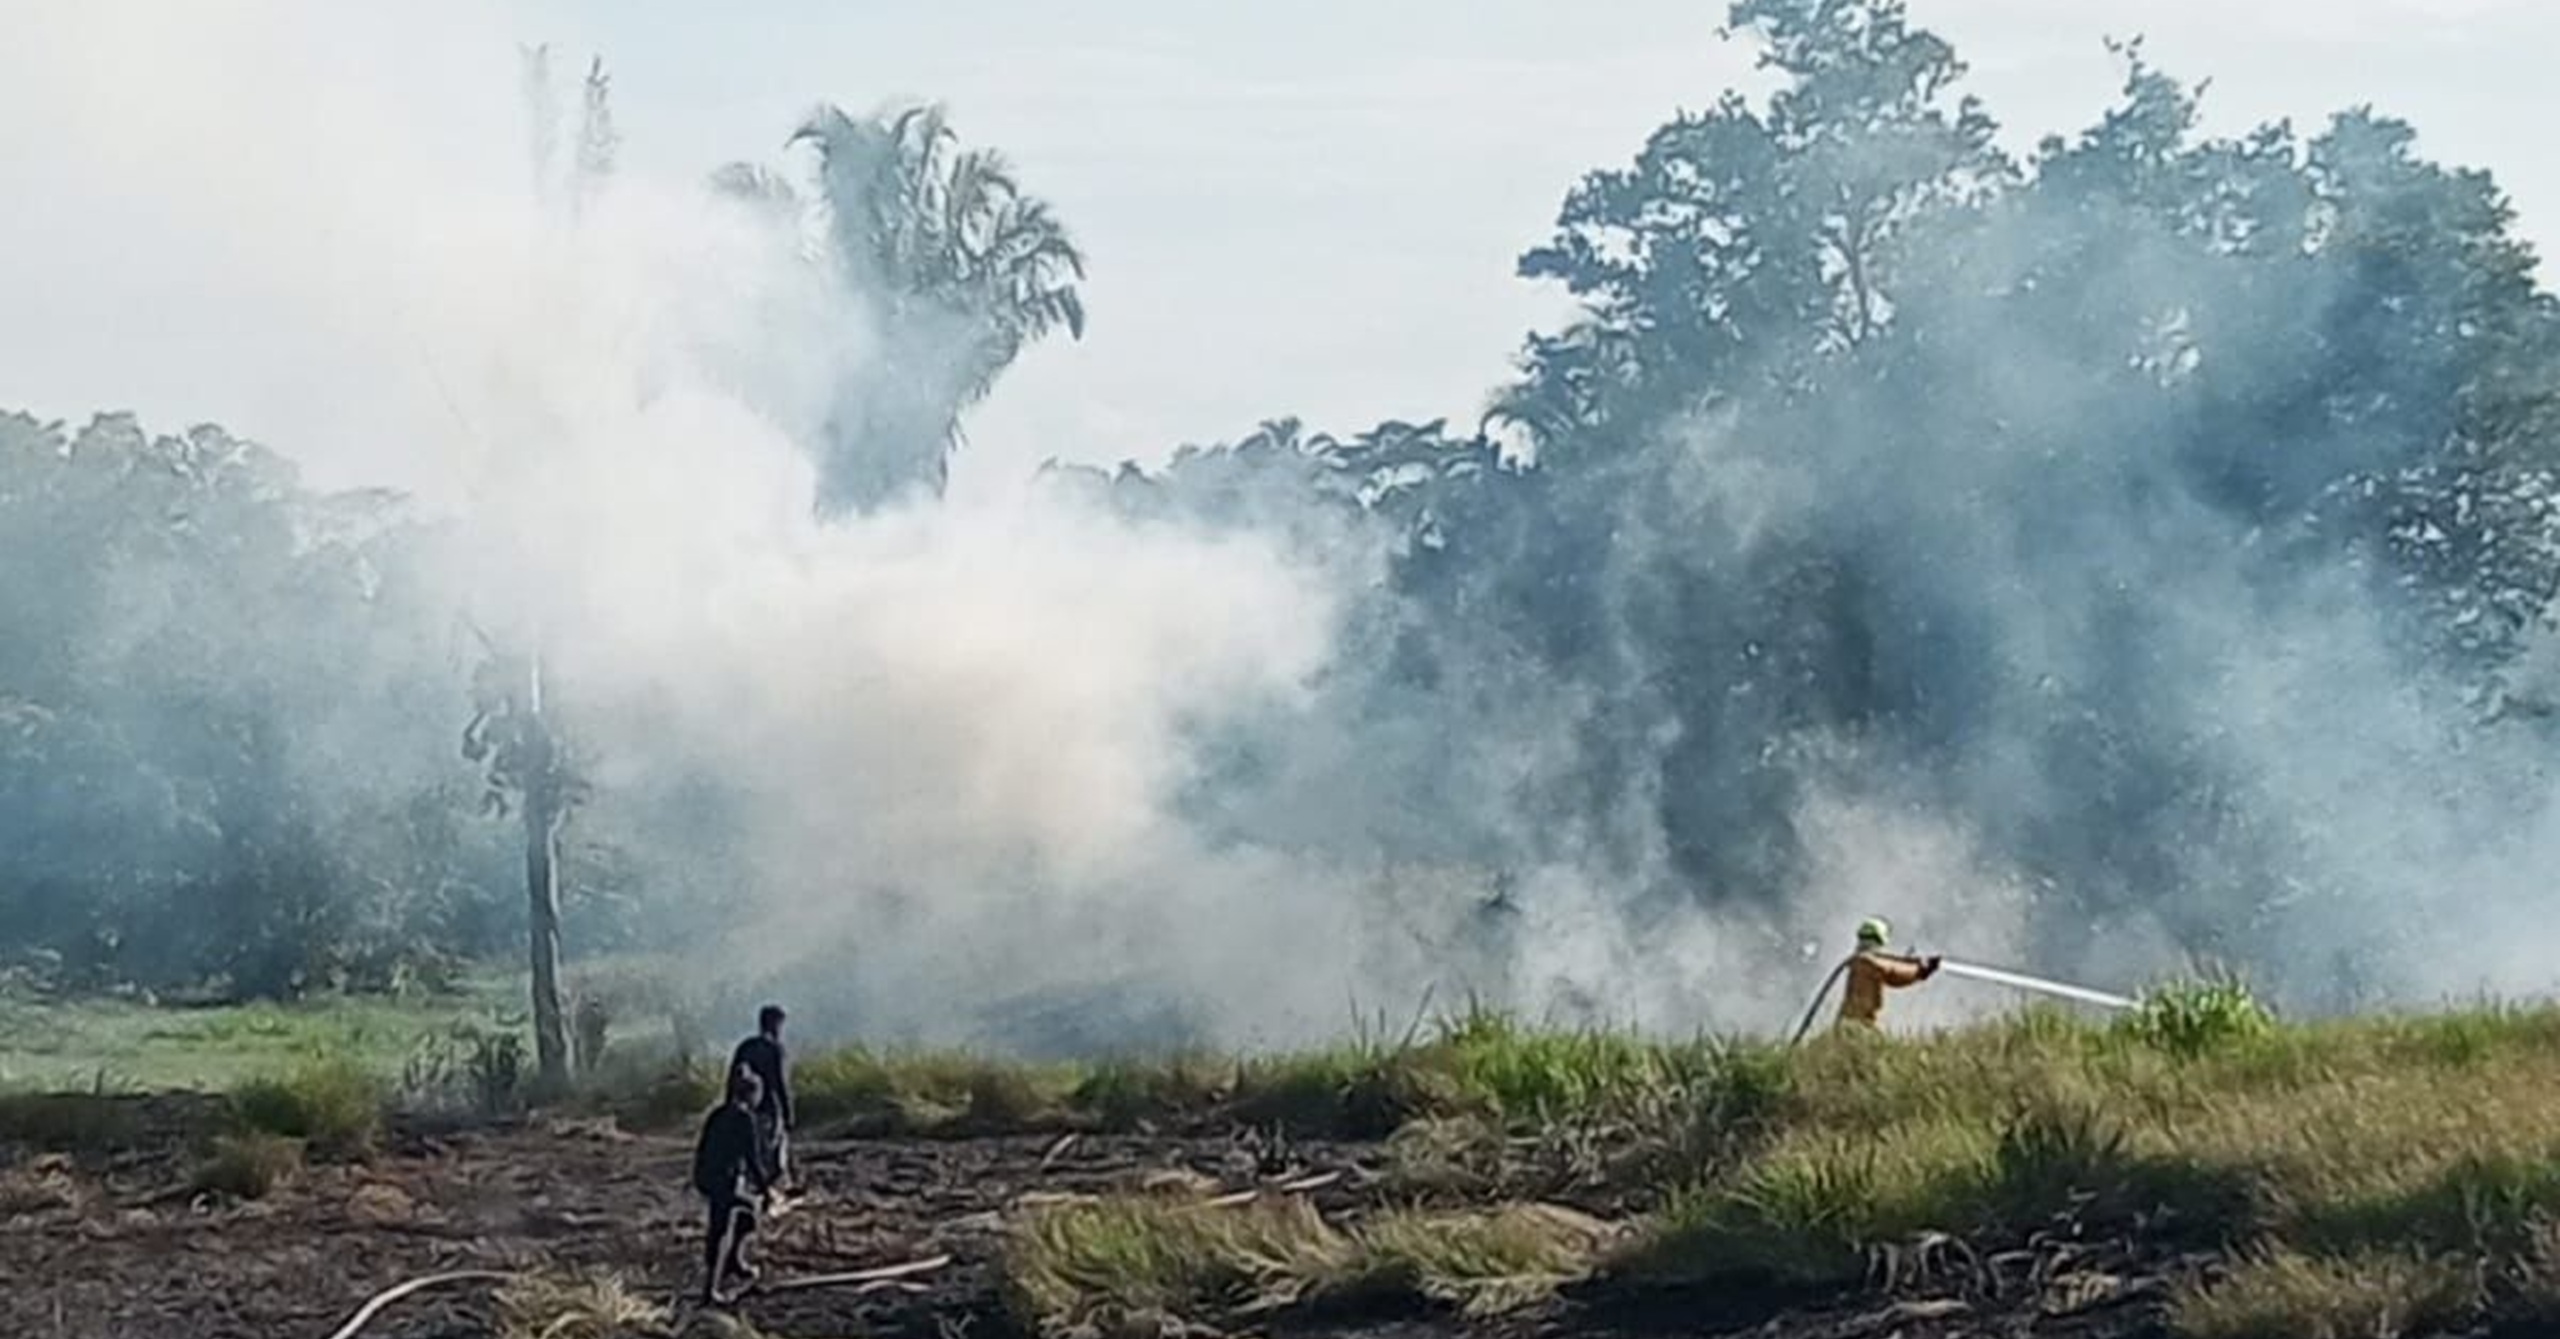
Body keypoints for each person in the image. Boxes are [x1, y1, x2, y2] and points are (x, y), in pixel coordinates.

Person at [693, 1064, 773, 1306]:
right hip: (724, 1181)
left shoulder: (717, 1114)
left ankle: (733, 1262)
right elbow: (753, 1159)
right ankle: (710, 1290)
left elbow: (703, 1148)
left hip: (708, 1177)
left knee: (740, 1217)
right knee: (722, 1231)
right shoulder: (744, 1118)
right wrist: (766, 1189)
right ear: (752, 1094)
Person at [728, 1004, 794, 1195]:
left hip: (746, 1106)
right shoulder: (775, 1049)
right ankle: (770, 1188)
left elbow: (732, 1078)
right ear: (775, 1025)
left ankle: (753, 1185)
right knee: (773, 1148)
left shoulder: (745, 1046)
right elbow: (781, 1084)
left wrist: (729, 1105)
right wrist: (789, 1112)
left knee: (752, 1147)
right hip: (770, 1107)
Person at [1835, 917, 1941, 1030]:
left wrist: (1913, 963)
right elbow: (1893, 973)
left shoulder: (1861, 960)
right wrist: (1920, 970)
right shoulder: (1866, 962)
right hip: (1857, 1024)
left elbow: (1890, 965)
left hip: (1857, 1022)